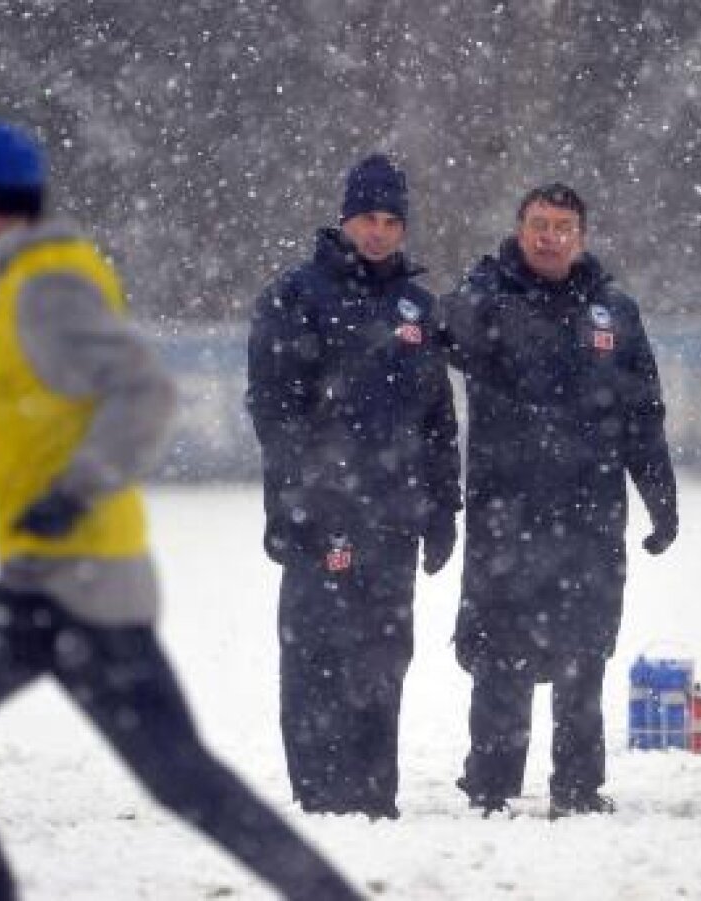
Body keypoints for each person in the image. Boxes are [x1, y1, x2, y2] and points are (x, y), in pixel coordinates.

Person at [0, 120, 358, 901]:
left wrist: (74, 493)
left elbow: (147, 394)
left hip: (76, 589)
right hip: (55, 586)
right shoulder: (24, 285)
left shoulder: (45, 287)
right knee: (181, 778)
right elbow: (33, 436)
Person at [440, 183, 677, 817]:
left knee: (583, 650)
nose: (550, 236)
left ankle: (578, 785)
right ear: (519, 231)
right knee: (499, 652)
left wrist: (660, 495)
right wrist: (483, 282)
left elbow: (642, 412)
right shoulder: (487, 301)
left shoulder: (615, 313)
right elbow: (448, 331)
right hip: (505, 510)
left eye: (563, 226)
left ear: (583, 236)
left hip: (589, 513)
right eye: (539, 225)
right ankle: (490, 782)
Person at [247, 154, 461, 820]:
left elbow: (437, 419)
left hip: (394, 518)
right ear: (345, 218)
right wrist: (289, 502)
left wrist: (442, 509)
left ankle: (375, 793)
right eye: (369, 216)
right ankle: (320, 793)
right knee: (315, 654)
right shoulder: (297, 295)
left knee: (383, 656)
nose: (379, 230)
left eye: (392, 219)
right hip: (323, 512)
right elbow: (274, 411)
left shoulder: (417, 308)